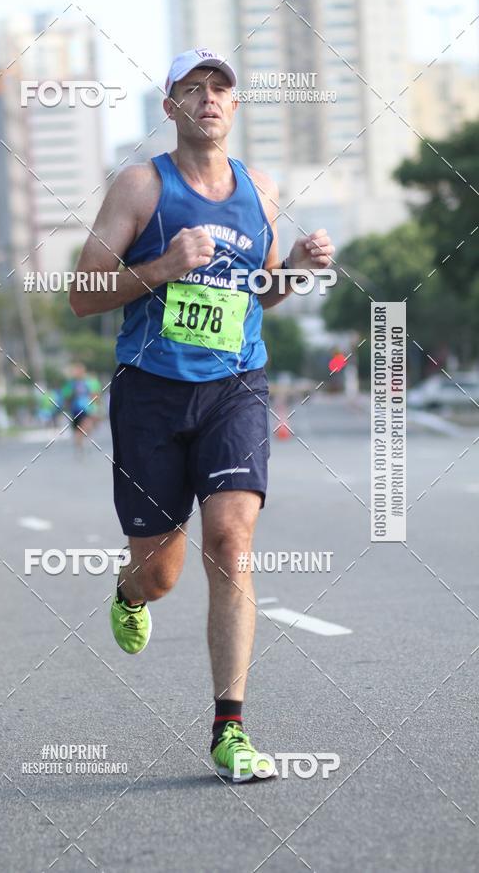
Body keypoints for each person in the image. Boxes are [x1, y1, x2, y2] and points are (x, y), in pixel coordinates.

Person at [70, 48, 335, 782]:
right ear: (171, 107)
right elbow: (83, 294)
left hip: (235, 387)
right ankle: (129, 592)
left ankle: (230, 729)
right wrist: (163, 266)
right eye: (194, 88)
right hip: (151, 392)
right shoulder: (140, 186)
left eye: (221, 88)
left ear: (235, 105)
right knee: (160, 573)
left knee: (230, 538)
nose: (209, 98)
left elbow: (262, 289)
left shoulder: (260, 188)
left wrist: (298, 271)